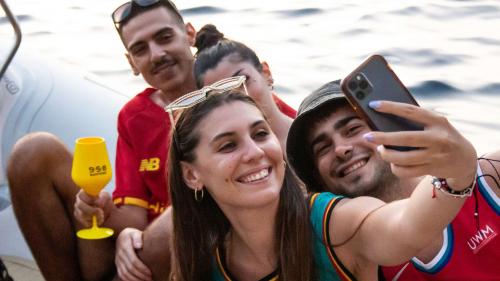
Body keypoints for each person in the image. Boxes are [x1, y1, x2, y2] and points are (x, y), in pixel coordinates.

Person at [165, 73, 476, 280]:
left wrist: (456, 173)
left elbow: (406, 226)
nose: (255, 152)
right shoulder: (203, 258)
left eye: (260, 134)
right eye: (228, 145)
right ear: (192, 175)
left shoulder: (331, 223)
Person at [7, 1, 196, 280]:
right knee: (31, 152)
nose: (157, 54)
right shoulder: (134, 117)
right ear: (131, 63)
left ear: (189, 34)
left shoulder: (229, 89)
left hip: (201, 238)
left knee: (175, 222)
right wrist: (101, 212)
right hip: (148, 248)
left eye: (165, 37)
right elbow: (134, 215)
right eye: (140, 49)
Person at [116, 23, 297, 280]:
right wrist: (127, 235)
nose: (234, 97)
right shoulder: (137, 118)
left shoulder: (304, 136)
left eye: (241, 82)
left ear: (265, 73)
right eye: (219, 93)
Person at [286, 80, 500, 280]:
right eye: (323, 148)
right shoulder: (352, 259)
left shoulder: (488, 176)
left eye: (353, 129)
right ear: (318, 180)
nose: (341, 149)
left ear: (391, 128)